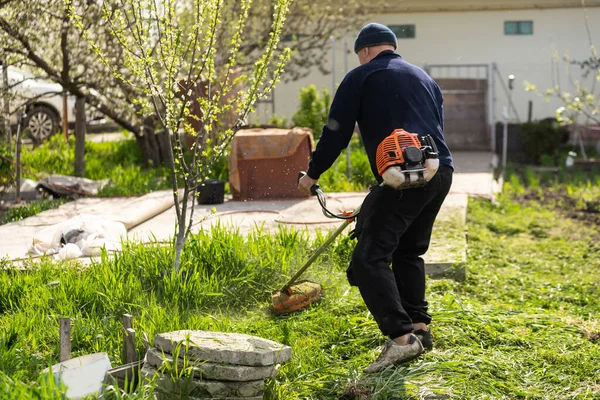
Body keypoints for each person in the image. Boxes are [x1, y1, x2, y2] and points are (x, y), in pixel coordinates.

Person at [297, 22, 454, 373]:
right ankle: (419, 329)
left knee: (368, 259)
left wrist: (312, 175)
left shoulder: (361, 76)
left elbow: (335, 131)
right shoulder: (425, 79)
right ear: (392, 47)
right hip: (440, 171)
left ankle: (401, 340)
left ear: (365, 51)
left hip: (404, 177)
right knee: (408, 251)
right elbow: (437, 128)